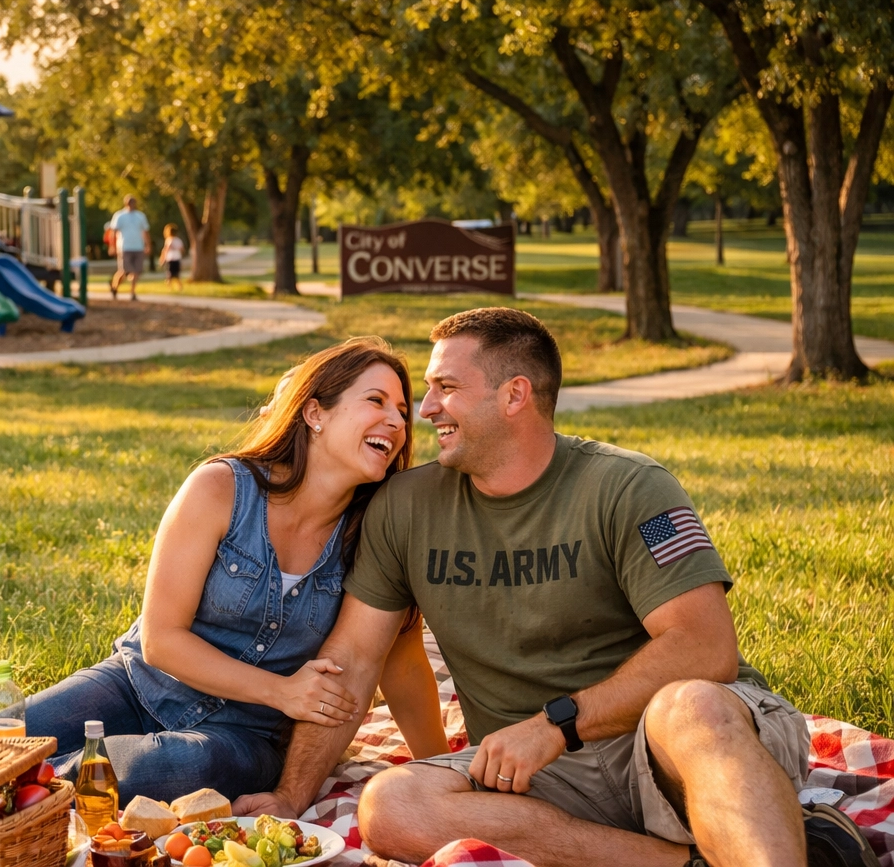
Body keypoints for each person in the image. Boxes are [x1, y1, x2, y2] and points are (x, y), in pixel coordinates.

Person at [234, 308, 877, 867]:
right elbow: (351, 664)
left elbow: (705, 647)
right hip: (537, 778)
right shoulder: (406, 507)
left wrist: (554, 724)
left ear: (515, 395)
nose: (424, 410)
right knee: (392, 805)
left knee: (694, 705)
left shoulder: (630, 486)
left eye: (446, 388)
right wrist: (291, 797)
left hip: (671, 749)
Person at [0, 338, 450, 803]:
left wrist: (444, 772)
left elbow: (404, 662)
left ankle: (4, 792)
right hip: (136, 685)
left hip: (246, 737)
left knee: (185, 767)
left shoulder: (375, 536)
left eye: (400, 409)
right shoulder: (221, 489)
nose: (397, 421)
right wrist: (283, 691)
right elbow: (161, 640)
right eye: (376, 401)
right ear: (315, 413)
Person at [106, 196, 151, 300]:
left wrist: (148, 245)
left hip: (138, 247)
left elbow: (145, 231)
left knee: (136, 271)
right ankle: (114, 286)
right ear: (126, 203)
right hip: (124, 247)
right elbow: (113, 232)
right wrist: (112, 246)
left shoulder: (140, 216)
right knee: (124, 271)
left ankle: (132, 293)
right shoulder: (119, 216)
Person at [160, 224, 185, 292]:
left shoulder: (172, 240)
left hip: (172, 259)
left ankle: (172, 287)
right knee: (172, 274)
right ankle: (173, 287)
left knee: (172, 274)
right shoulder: (176, 240)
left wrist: (162, 259)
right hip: (174, 258)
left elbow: (165, 251)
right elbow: (182, 249)